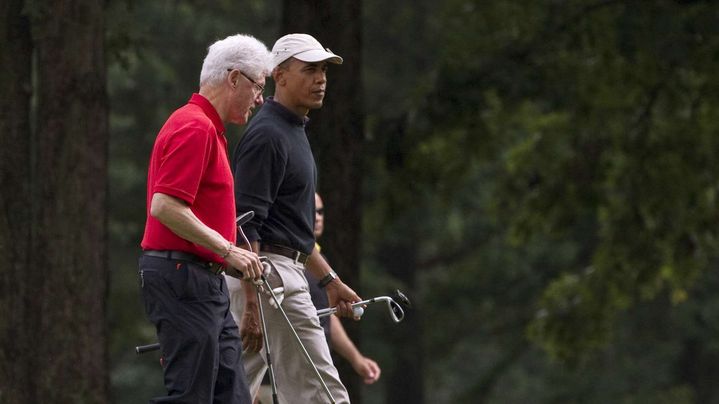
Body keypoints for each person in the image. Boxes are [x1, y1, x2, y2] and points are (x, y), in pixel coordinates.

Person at [226, 33, 361, 404]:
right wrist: (251, 303)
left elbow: (294, 231)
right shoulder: (268, 134)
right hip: (267, 278)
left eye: (323, 71)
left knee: (235, 389)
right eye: (309, 70)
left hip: (279, 274)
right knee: (321, 393)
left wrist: (329, 280)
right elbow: (246, 224)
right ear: (279, 75)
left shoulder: (292, 129)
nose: (320, 79)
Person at [139, 34, 272, 403]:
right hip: (184, 279)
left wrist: (234, 253)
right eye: (259, 86)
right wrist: (228, 250)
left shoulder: (209, 129)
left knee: (232, 396)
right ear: (234, 79)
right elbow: (164, 206)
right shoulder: (195, 127)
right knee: (191, 396)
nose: (260, 99)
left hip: (204, 282)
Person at [253, 193, 380, 403]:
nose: (317, 217)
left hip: (308, 372)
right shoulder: (280, 262)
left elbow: (324, 318)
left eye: (320, 211)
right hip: (276, 376)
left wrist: (357, 360)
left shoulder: (322, 266)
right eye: (311, 211)